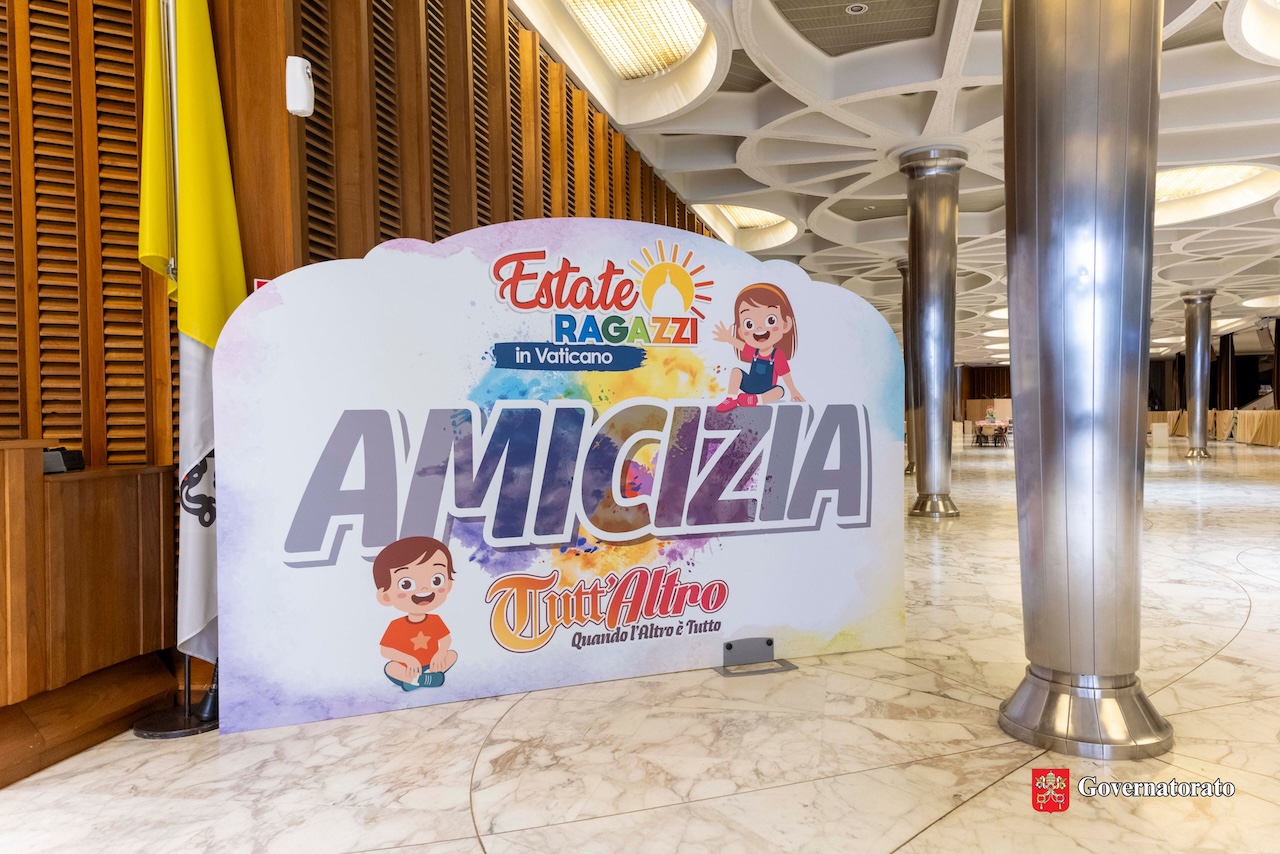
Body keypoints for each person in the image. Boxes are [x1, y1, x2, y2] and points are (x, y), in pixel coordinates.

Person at [373, 536, 458, 690]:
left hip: (432, 664)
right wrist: (408, 659)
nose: (424, 589)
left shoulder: (435, 620)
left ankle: (418, 680)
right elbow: (385, 650)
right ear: (386, 596)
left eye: (436, 580)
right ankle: (421, 679)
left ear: (448, 584)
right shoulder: (396, 625)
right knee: (390, 667)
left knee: (451, 655)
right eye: (406, 584)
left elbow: (446, 640)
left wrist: (440, 654)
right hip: (409, 667)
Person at [712, 283, 804, 413]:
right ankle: (731, 398)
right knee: (736, 372)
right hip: (750, 385)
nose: (759, 328)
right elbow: (741, 345)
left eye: (770, 320)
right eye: (749, 324)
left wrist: (793, 391)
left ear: (786, 324)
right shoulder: (754, 352)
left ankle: (755, 400)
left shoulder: (777, 355)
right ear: (741, 331)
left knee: (779, 391)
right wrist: (728, 338)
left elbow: (785, 373)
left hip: (766, 390)